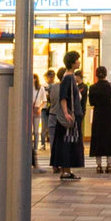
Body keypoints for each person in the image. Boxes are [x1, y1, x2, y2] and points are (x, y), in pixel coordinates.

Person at [47, 50, 86, 180]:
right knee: (68, 142)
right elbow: (63, 97)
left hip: (66, 116)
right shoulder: (69, 78)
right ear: (73, 62)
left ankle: (66, 170)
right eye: (77, 59)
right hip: (69, 117)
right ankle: (66, 170)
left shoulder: (67, 77)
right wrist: (66, 113)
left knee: (66, 142)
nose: (79, 62)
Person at [88, 66, 111, 174]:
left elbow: (91, 102)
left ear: (96, 75)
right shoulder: (110, 86)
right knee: (109, 139)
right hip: (109, 116)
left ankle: (98, 165)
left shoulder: (92, 88)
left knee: (98, 140)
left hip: (98, 116)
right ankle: (109, 165)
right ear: (106, 74)